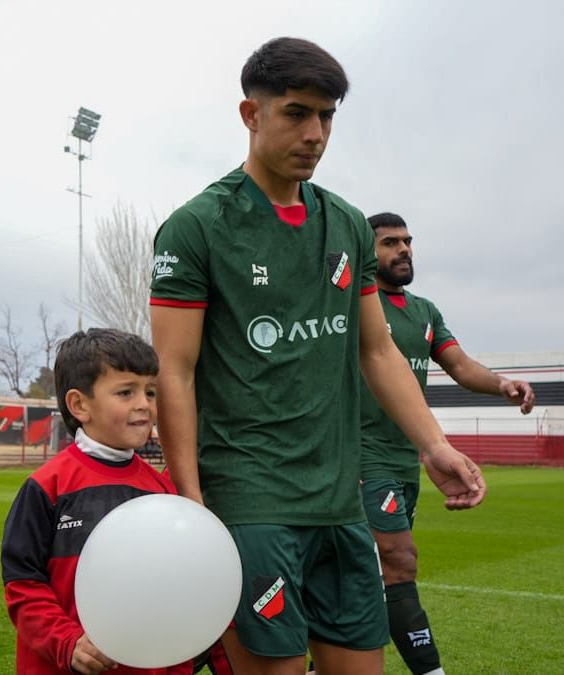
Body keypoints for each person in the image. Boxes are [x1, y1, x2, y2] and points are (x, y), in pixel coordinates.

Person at [150, 37, 486, 674]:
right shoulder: (198, 226)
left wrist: (433, 444)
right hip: (250, 502)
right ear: (251, 114)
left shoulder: (349, 224)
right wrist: (190, 500)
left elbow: (377, 349)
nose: (315, 133)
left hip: (341, 500)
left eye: (327, 116)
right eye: (297, 113)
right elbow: (176, 370)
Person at [359, 212, 535, 675]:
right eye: (390, 243)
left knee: (370, 572)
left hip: (406, 457)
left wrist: (501, 385)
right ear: (368, 250)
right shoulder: (356, 303)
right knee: (399, 560)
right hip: (361, 455)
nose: (404, 250)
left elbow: (458, 365)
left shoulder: (424, 311)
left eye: (408, 242)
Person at [1, 328, 190, 675]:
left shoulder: (162, 492)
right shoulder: (46, 487)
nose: (144, 405)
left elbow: (176, 594)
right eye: (125, 392)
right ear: (79, 405)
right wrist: (68, 642)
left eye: (150, 391)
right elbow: (22, 584)